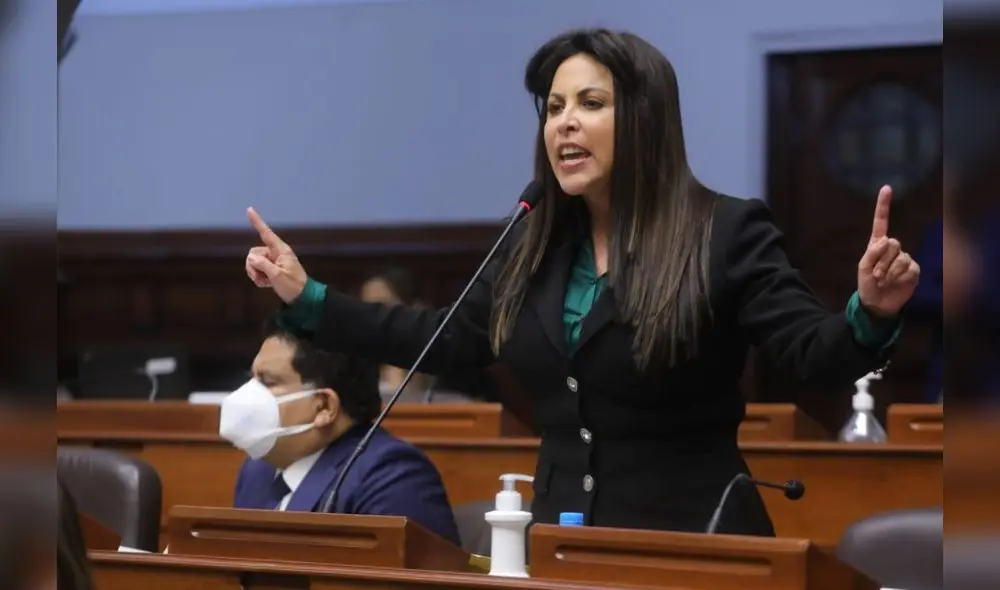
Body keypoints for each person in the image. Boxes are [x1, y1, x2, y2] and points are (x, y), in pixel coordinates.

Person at [243, 29, 919, 536]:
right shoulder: (532, 238)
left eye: (590, 103)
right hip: (564, 536)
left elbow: (812, 351)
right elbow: (441, 337)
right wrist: (309, 297)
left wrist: (870, 312)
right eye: (554, 106)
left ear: (646, 120)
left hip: (695, 540)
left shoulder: (724, 231)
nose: (562, 122)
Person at [223, 312, 461, 545]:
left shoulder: (393, 476)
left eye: (267, 382)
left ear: (324, 406)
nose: (248, 393)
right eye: (251, 377)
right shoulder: (257, 470)